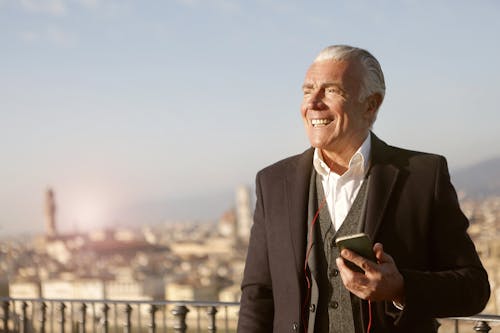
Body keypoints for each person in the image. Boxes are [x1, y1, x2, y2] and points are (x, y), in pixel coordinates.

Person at [237, 45, 490, 333]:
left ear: (371, 104)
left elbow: (474, 288)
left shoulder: (422, 177)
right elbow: (257, 295)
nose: (313, 103)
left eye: (331, 91)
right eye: (308, 91)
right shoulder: (273, 182)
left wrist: (401, 288)